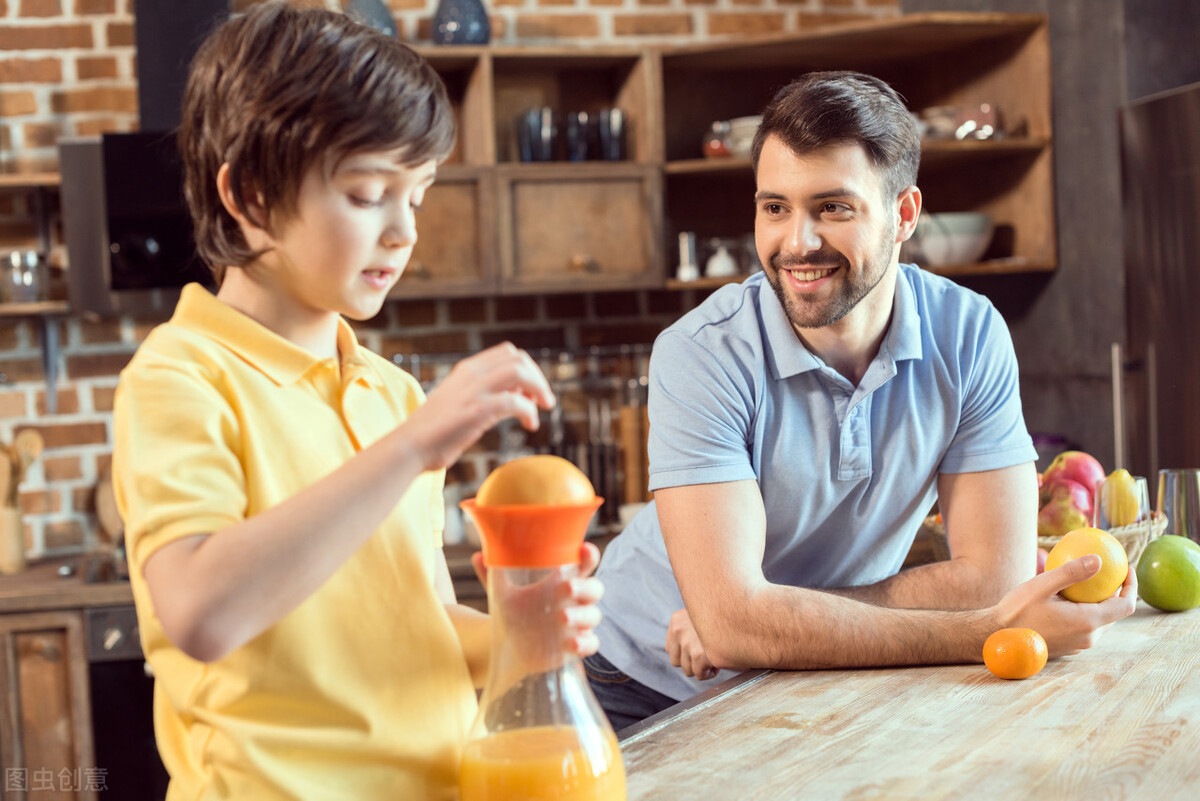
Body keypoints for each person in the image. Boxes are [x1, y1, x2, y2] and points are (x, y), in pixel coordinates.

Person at [111, 4, 603, 799]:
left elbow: (420, 620)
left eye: (418, 194)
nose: (405, 230)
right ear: (251, 195)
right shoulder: (181, 377)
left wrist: (519, 632)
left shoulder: (390, 392)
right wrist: (411, 447)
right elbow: (200, 612)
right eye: (370, 191)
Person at [585, 71, 1136, 731]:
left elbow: (994, 580)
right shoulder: (702, 353)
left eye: (833, 207)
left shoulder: (969, 333)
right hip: (639, 680)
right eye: (775, 207)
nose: (797, 242)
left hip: (821, 670)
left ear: (904, 214)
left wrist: (764, 619)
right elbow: (734, 627)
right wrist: (976, 630)